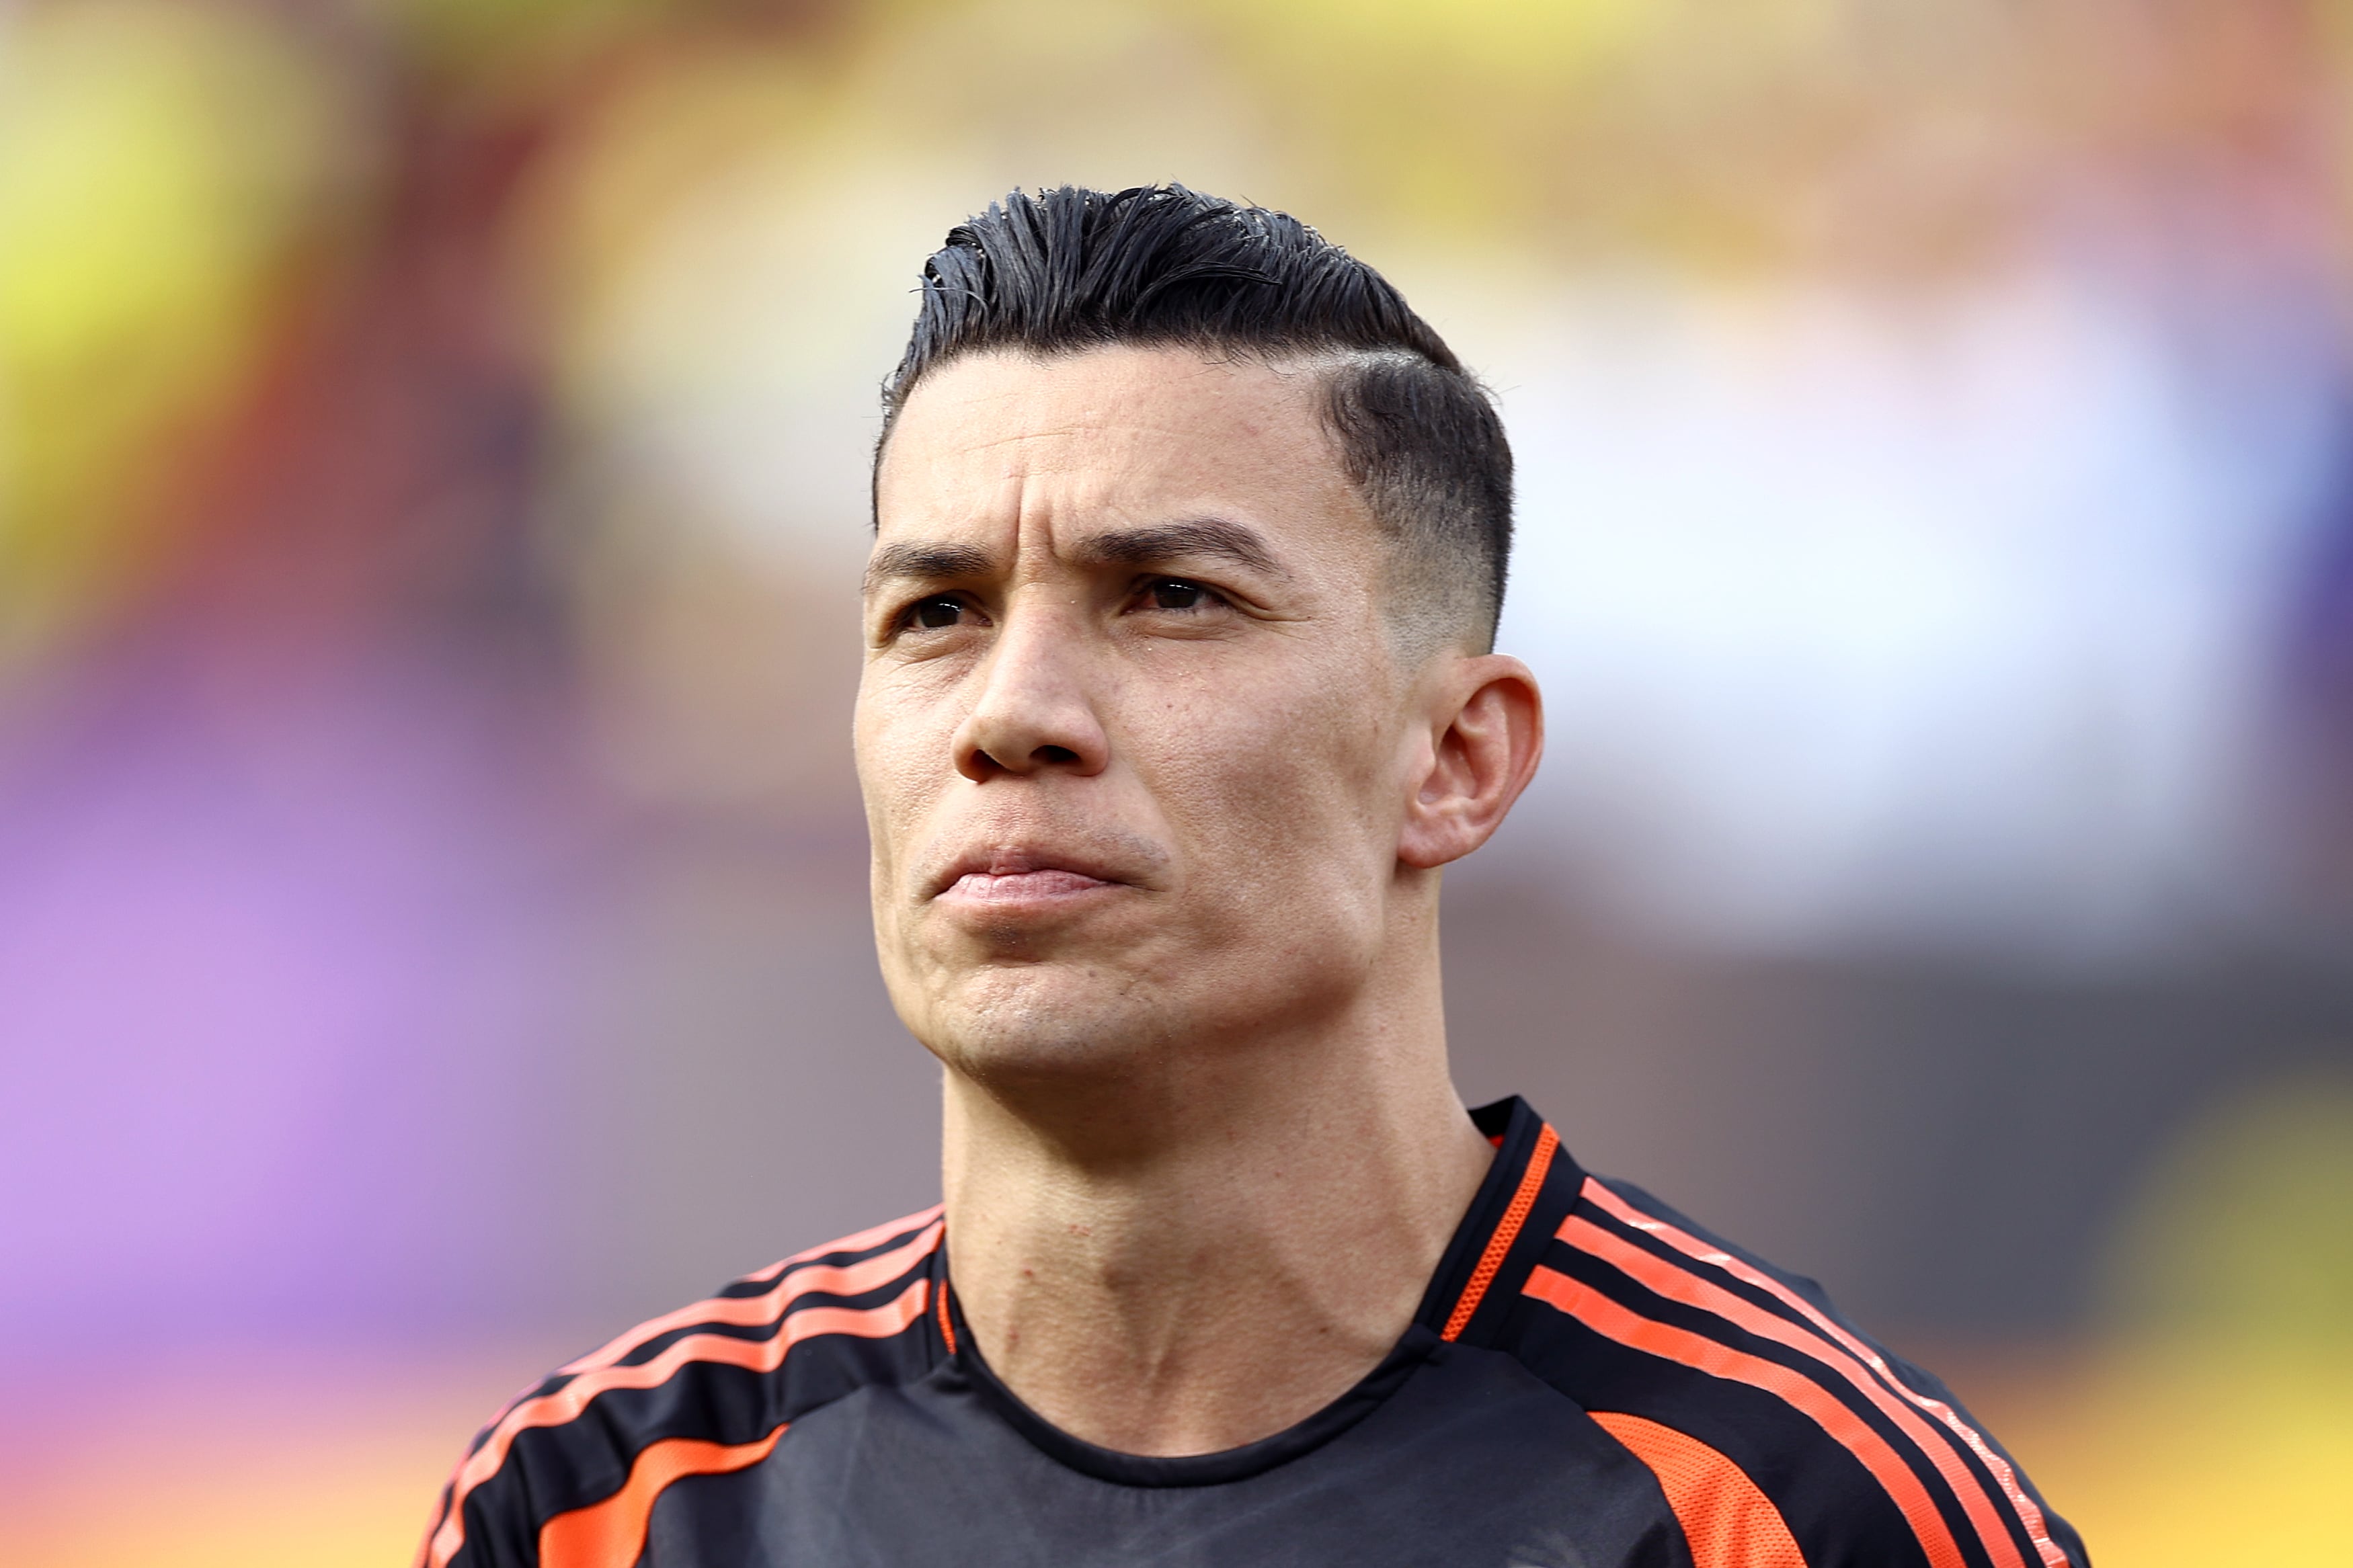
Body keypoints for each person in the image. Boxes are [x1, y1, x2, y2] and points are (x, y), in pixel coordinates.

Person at [418, 184, 2088, 1568]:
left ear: (1456, 762)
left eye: (1170, 597)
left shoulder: (1804, 1519)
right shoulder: (599, 1510)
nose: (1011, 713)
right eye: (935, 613)